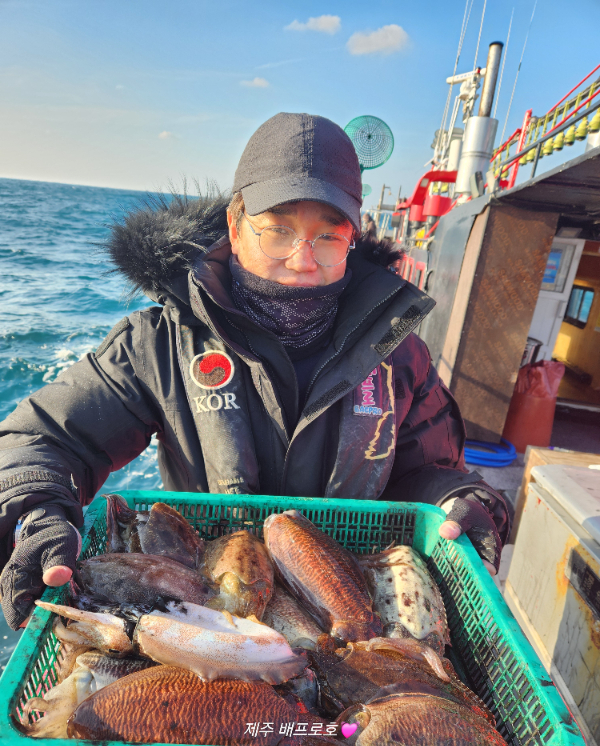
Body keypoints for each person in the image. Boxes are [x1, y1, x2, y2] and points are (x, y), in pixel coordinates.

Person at [0, 112, 508, 630]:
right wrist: (38, 509)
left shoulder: (400, 356)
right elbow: (42, 439)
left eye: (328, 236)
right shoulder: (157, 343)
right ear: (235, 226)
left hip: (350, 604)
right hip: (205, 600)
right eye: (278, 231)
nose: (302, 260)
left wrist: (460, 501)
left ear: (352, 240)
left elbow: (428, 474)